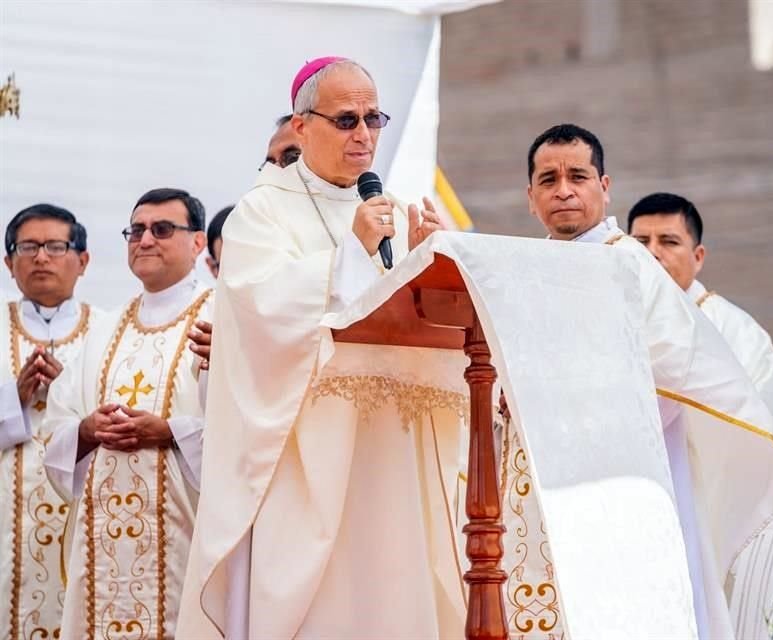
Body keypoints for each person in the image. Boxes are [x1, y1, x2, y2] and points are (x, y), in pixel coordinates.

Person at [176, 56, 443, 639]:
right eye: (347, 119)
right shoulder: (260, 211)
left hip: (386, 446)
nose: (365, 135)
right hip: (304, 453)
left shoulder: (390, 209)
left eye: (375, 119)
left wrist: (428, 267)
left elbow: (413, 326)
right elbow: (258, 317)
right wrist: (350, 253)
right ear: (302, 127)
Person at [500, 123, 773, 639]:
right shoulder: (523, 269)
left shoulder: (632, 266)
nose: (563, 190)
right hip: (541, 483)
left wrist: (580, 418)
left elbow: (684, 376)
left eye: (578, 176)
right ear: (530, 197)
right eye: (548, 179)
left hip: (621, 481)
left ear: (604, 187)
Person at [43, 188, 212, 639]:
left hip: (185, 534)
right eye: (135, 230)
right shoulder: (105, 326)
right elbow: (58, 420)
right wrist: (85, 429)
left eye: (162, 229)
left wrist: (171, 431)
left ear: (197, 243)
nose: (145, 240)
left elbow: (247, 426)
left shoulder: (220, 317)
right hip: (99, 543)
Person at [627, 192, 773, 498]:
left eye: (668, 242)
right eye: (641, 242)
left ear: (698, 258)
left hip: (713, 492)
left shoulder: (737, 331)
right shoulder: (617, 317)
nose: (652, 253)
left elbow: (751, 430)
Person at [0, 204, 104, 639]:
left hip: (86, 519)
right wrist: (14, 399)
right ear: (8, 262)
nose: (41, 257)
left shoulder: (111, 331)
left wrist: (68, 398)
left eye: (56, 246)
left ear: (82, 260)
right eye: (28, 247)